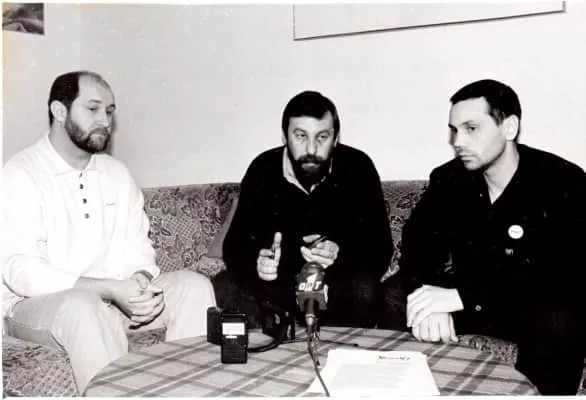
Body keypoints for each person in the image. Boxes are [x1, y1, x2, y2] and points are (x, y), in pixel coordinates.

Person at [2, 71, 217, 393]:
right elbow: (19, 270)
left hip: (112, 300)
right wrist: (107, 289)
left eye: (110, 111)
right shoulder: (21, 173)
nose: (105, 120)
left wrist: (139, 281)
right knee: (83, 307)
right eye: (93, 109)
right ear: (59, 111)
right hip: (39, 306)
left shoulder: (116, 173)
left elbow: (138, 249)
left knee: (193, 286)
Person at [392, 79, 586, 394]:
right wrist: (430, 298)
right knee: (394, 295)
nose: (458, 141)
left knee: (559, 318)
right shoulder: (449, 179)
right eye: (454, 130)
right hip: (469, 306)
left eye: (471, 128)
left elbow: (559, 274)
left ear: (509, 127)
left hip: (527, 307)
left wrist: (464, 296)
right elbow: (417, 247)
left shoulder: (561, 180)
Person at [219, 90, 393, 328]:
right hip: (277, 285)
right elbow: (234, 246)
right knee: (226, 284)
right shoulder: (262, 169)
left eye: (322, 137)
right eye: (301, 136)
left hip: (338, 285)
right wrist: (258, 264)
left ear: (336, 138)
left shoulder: (359, 167)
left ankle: (339, 350)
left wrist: (339, 254)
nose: (311, 149)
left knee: (364, 289)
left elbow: (380, 247)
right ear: (285, 136)